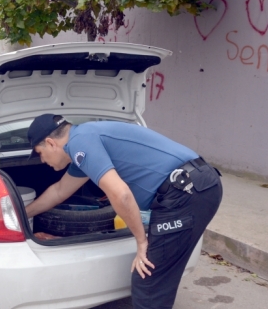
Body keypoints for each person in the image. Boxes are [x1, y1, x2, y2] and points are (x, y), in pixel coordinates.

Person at [25, 114, 223, 309]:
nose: (42, 161)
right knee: (158, 277)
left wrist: (141, 241)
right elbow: (59, 191)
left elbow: (121, 195)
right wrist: (23, 214)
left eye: (40, 153)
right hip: (194, 187)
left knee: (149, 280)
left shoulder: (80, 142)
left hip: (187, 192)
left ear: (51, 143)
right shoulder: (84, 140)